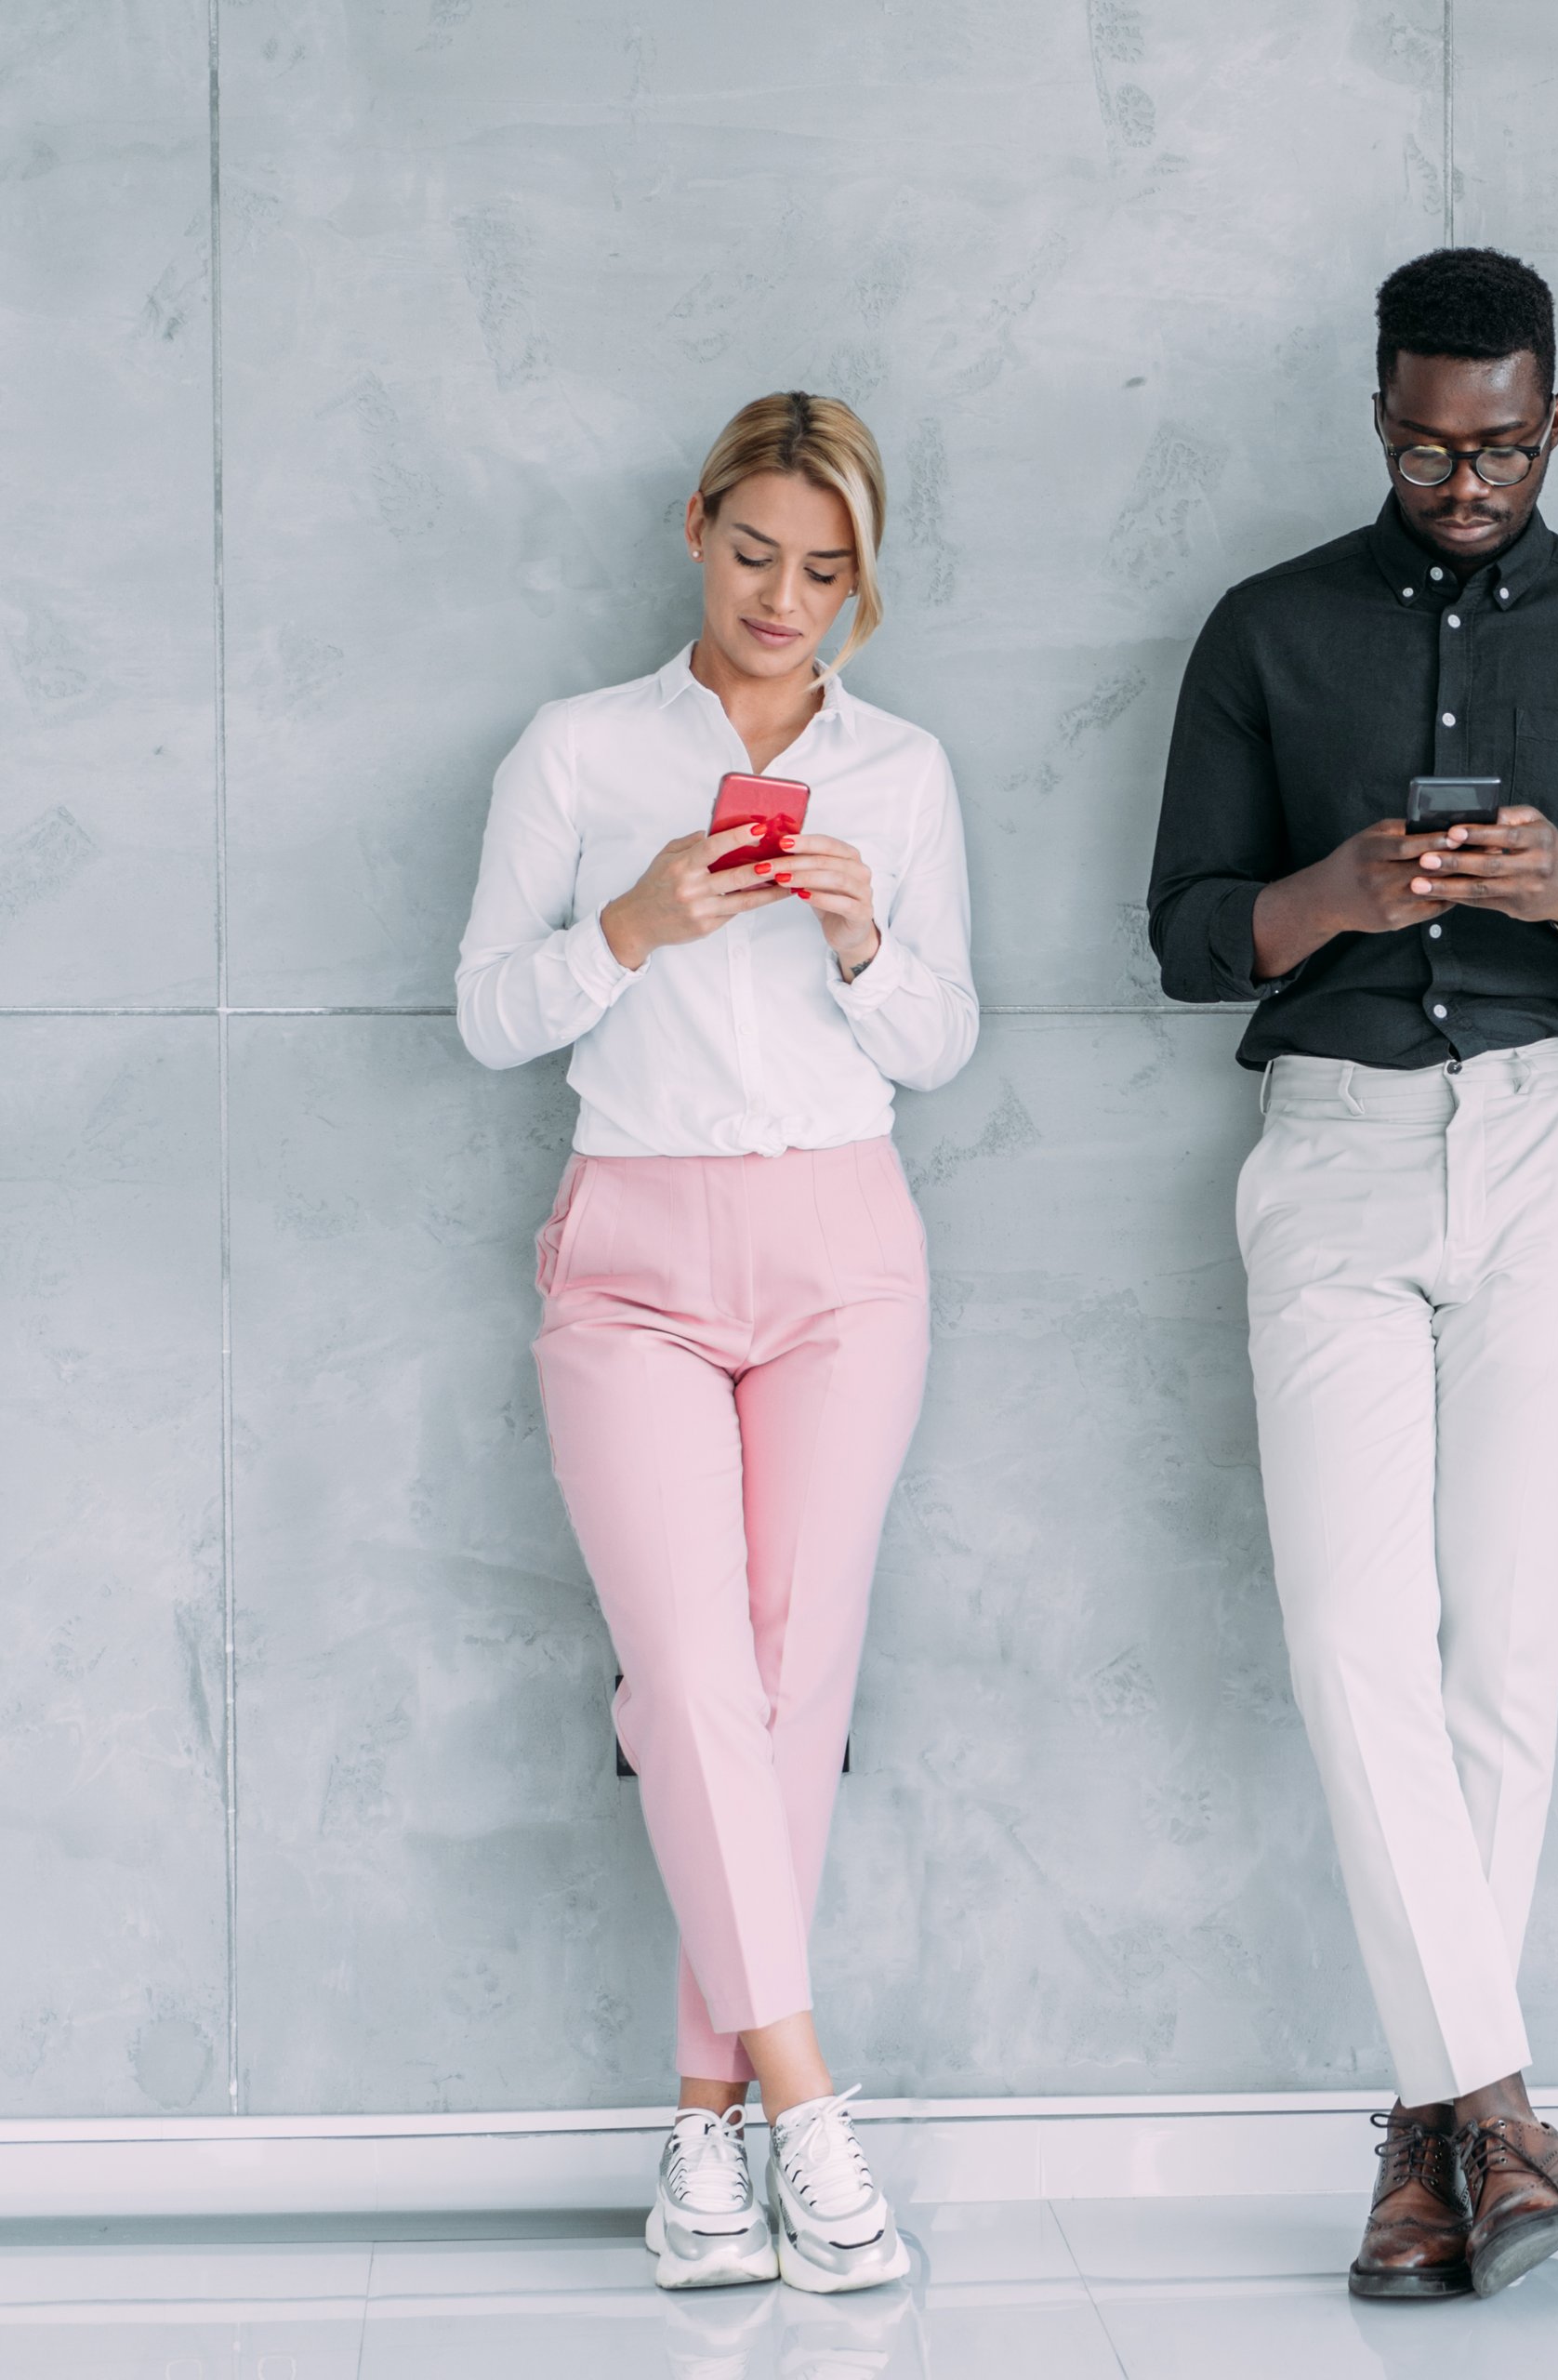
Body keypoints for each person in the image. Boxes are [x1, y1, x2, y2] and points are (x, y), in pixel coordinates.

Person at [1145, 247, 1558, 2300]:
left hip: (1551, 1152)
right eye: (1422, 446)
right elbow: (1189, 932)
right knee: (1351, 1642)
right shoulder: (1268, 627)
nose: (1462, 481)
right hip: (1332, 1149)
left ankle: (1430, 2152)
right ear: (1379, 414)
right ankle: (1498, 2113)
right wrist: (1337, 889)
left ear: (1552, 418)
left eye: (1496, 447)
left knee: (1506, 1657)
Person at [455, 390, 973, 2296]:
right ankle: (805, 2109)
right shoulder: (578, 748)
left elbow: (945, 1040)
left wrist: (860, 942)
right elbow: (489, 1013)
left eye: (826, 571)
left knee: (787, 1691)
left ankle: (703, 2135)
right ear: (696, 528)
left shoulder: (901, 770)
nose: (783, 599)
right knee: (684, 1680)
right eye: (756, 553)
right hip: (635, 1251)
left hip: (845, 1250)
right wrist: (633, 921)